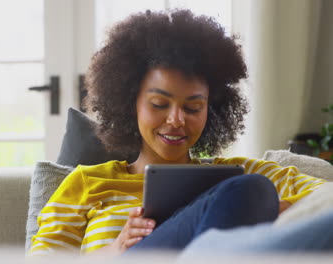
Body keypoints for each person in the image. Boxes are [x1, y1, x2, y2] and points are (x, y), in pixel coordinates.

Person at [28, 9, 325, 256]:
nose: (176, 120)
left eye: (193, 108)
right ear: (130, 103)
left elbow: (325, 200)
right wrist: (115, 250)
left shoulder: (241, 172)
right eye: (159, 104)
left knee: (252, 190)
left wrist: (269, 209)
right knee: (248, 189)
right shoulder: (86, 183)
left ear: (213, 110)